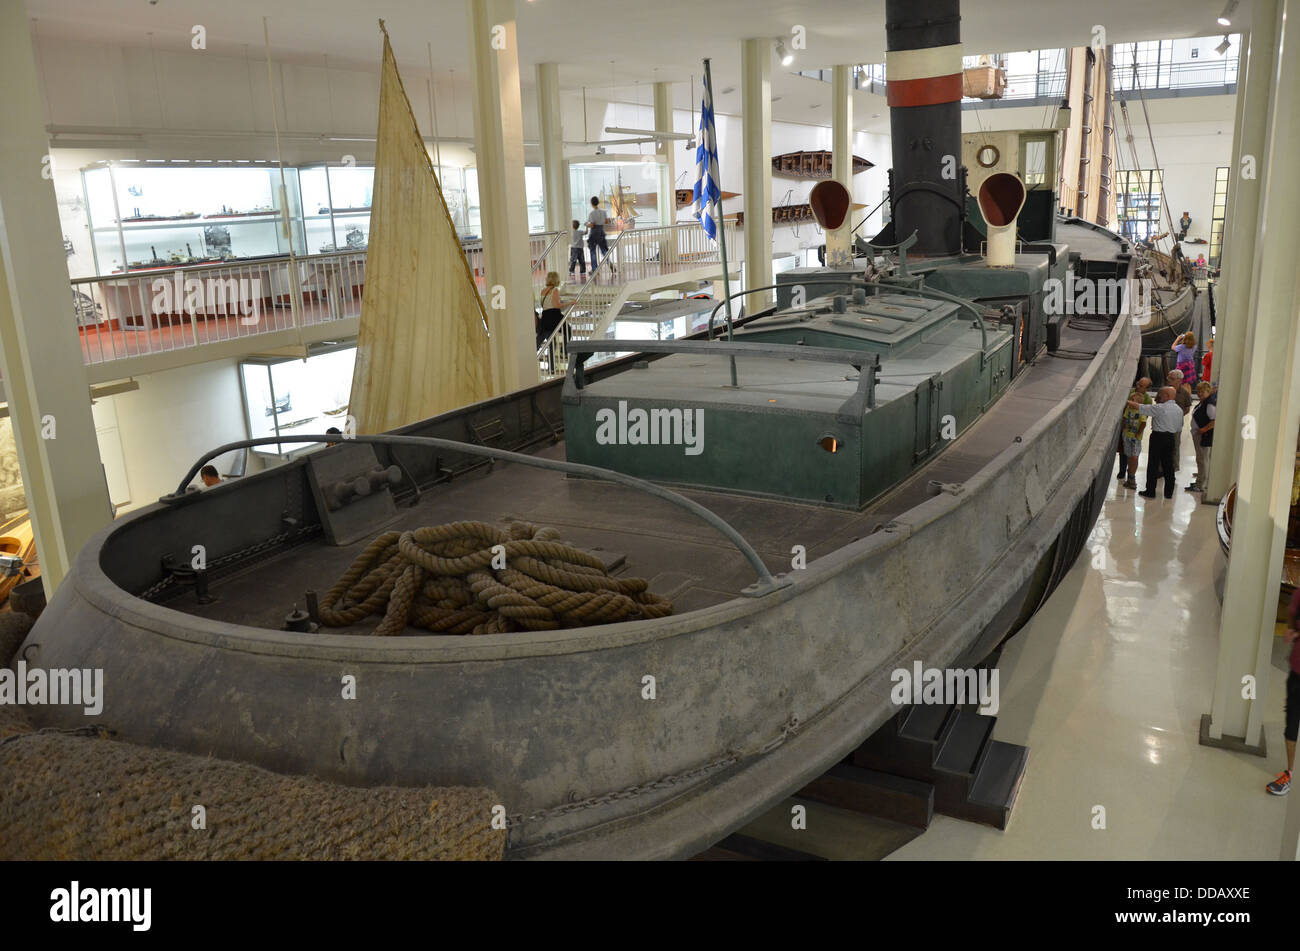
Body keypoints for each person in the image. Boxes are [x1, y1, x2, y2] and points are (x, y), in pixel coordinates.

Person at [1268, 587, 1300, 796]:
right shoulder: (1299, 593)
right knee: (1292, 718)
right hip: (1297, 668)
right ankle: (1290, 773)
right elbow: (1291, 614)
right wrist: (1291, 630)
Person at [1127, 386, 1182, 499]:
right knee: (1168, 465)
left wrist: (1125, 400)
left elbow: (1140, 407)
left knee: (1153, 464)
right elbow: (1178, 427)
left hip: (1158, 437)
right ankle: (1169, 493)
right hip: (1171, 438)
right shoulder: (1179, 409)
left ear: (1167, 396)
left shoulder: (1160, 408)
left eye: (1161, 394)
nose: (1159, 397)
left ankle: (1150, 491)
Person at [1119, 377, 1153, 490]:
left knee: (1133, 456)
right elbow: (1124, 414)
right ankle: (1123, 471)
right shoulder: (1131, 393)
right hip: (1126, 432)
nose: (1138, 386)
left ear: (1147, 389)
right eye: (1138, 384)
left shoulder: (1147, 400)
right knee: (1124, 451)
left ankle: (1131, 476)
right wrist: (1123, 428)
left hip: (1135, 435)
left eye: (1141, 386)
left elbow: (1144, 420)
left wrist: (1138, 433)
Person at [1186, 381, 1216, 493]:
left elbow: (1214, 420)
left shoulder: (1209, 404)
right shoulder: (1203, 402)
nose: (1199, 393)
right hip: (1199, 434)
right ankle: (1200, 480)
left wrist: (1204, 429)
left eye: (1202, 391)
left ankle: (1201, 484)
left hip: (1203, 436)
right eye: (1198, 391)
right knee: (1201, 459)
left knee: (1203, 460)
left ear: (1208, 391)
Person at [1167, 369, 1191, 473]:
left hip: (1176, 424)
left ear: (1179, 381)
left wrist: (1177, 416)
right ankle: (1161, 466)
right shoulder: (1165, 390)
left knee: (1175, 444)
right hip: (1163, 422)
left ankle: (1174, 466)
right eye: (1168, 378)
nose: (1169, 380)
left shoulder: (1184, 393)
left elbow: (1187, 408)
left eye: (1171, 379)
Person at [536, 271, 564, 350]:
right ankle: (564, 351)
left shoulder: (542, 291)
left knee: (547, 338)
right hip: (554, 317)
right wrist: (570, 303)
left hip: (545, 317)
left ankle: (534, 352)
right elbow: (557, 305)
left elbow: (543, 304)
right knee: (567, 330)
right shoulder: (555, 290)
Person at [586, 196, 612, 274]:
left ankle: (595, 269)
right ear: (598, 202)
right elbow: (607, 222)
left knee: (593, 251)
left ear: (592, 204)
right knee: (604, 250)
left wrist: (586, 225)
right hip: (601, 231)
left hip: (594, 233)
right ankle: (609, 263)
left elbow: (592, 225)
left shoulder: (591, 213)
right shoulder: (603, 212)